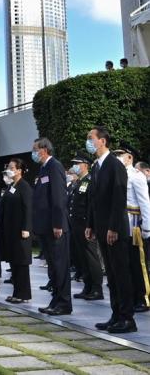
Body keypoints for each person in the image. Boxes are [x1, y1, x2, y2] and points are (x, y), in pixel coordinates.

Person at [86, 126, 136, 334]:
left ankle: (127, 319)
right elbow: (93, 199)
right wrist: (90, 223)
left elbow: (118, 198)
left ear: (103, 141)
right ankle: (116, 315)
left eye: (91, 138)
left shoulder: (114, 165)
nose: (88, 141)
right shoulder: (97, 166)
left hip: (114, 229)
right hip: (101, 226)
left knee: (121, 274)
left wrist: (114, 227)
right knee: (112, 276)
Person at [32, 138, 73, 316]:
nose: (33, 153)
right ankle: (56, 300)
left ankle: (64, 302)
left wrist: (58, 223)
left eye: (35, 149)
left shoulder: (54, 166)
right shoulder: (43, 169)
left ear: (44, 150)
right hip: (45, 226)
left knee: (59, 265)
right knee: (53, 267)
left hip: (54, 226)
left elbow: (58, 198)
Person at [114, 143, 150, 312]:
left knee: (138, 263)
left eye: (120, 154)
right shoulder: (119, 174)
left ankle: (143, 298)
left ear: (129, 157)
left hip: (134, 225)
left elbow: (145, 203)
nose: (117, 157)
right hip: (121, 224)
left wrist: (147, 228)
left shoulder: (137, 176)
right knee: (126, 264)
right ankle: (131, 296)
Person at [69, 153, 104, 301]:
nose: (74, 166)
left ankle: (97, 288)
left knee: (91, 256)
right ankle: (87, 286)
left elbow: (91, 205)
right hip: (76, 223)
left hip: (86, 223)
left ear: (85, 165)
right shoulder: (79, 182)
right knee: (81, 256)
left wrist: (91, 225)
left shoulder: (89, 181)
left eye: (77, 163)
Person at [0, 158, 33, 304]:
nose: (9, 169)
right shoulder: (11, 186)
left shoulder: (24, 186)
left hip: (20, 230)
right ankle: (16, 292)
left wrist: (26, 228)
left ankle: (23, 294)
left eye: (12, 167)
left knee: (21, 263)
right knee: (14, 263)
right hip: (11, 230)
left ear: (19, 170)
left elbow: (28, 208)